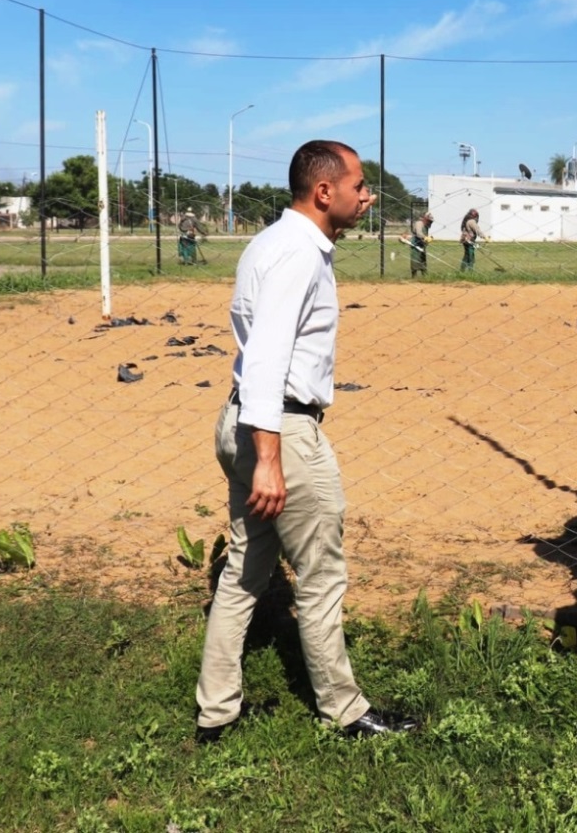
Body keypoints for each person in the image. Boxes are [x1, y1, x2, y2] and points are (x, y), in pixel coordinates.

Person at [195, 140, 412, 742]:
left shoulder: (272, 240)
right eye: (359, 186)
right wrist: (270, 458)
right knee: (321, 575)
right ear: (324, 193)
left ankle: (216, 712)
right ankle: (344, 711)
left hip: (242, 418)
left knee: (245, 570)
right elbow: (266, 358)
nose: (367, 196)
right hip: (278, 430)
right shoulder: (297, 254)